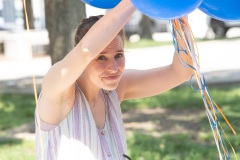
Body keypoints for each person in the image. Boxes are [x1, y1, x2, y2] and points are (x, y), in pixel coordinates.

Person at [35, 0, 193, 159]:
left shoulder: (114, 91)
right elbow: (85, 51)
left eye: (118, 55)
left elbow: (181, 71)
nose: (113, 68)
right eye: (101, 58)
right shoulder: (58, 90)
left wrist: (180, 18)